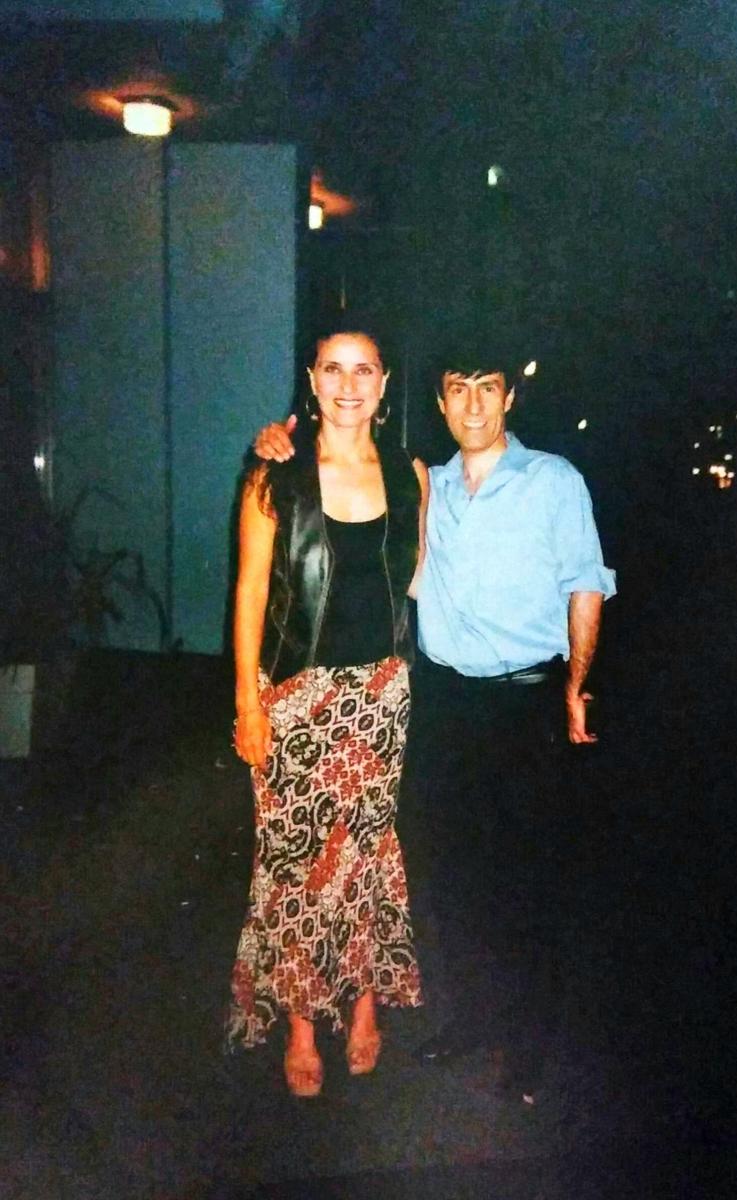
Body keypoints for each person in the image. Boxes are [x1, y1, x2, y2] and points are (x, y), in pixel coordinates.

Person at [254, 340, 616, 1098]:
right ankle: (472, 1018)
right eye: (459, 388)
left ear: (509, 397)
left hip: (525, 702)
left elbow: (586, 583)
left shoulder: (553, 480)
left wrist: (578, 685)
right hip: (443, 703)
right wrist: (275, 445)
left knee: (524, 878)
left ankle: (528, 1045)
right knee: (450, 873)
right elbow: (391, 566)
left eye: (489, 387)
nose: (474, 404)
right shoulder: (429, 483)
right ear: (441, 401)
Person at [228, 325, 428, 1098]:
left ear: (384, 384)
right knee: (295, 864)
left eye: (364, 370)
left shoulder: (411, 475)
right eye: (333, 369)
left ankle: (365, 1007)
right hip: (294, 696)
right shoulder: (273, 475)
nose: (349, 384)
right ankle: (303, 1027)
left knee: (367, 854)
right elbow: (249, 591)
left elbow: (417, 574)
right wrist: (248, 703)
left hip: (380, 694)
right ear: (311, 381)